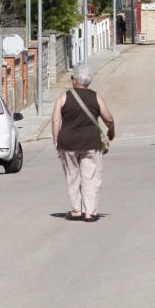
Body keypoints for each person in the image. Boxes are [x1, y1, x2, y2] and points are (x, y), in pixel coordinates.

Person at [51, 66, 114, 222]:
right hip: (91, 142)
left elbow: (55, 120)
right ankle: (90, 212)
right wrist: (111, 131)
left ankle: (77, 210)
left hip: (67, 143)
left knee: (72, 176)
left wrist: (56, 140)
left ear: (75, 81)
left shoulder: (63, 97)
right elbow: (108, 119)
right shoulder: (95, 97)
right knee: (90, 176)